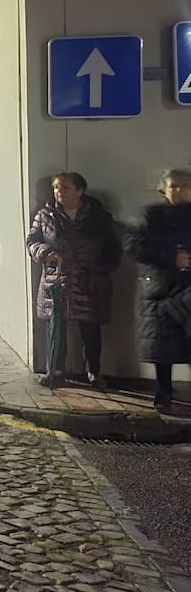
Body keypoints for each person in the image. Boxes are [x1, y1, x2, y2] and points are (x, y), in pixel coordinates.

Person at [26, 171, 122, 389]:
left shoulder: (98, 217)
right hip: (57, 279)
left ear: (80, 191)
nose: (59, 192)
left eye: (65, 187)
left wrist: (101, 269)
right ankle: (55, 371)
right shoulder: (45, 215)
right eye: (56, 187)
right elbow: (32, 240)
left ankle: (93, 372)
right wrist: (44, 251)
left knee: (90, 328)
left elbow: (113, 249)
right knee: (56, 326)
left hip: (88, 280)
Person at [126, 169, 191, 412]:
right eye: (174, 186)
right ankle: (163, 392)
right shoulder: (150, 215)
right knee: (164, 347)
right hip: (161, 291)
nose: (180, 190)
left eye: (185, 186)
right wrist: (171, 258)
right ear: (164, 189)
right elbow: (133, 245)